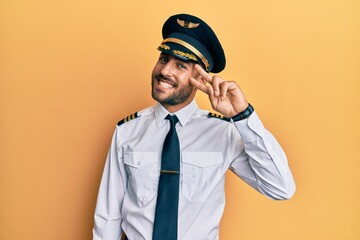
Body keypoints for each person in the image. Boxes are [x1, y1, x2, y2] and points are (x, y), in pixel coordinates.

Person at [92, 13, 295, 240]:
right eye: (163, 58)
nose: (165, 71)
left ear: (200, 79)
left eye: (180, 65)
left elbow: (281, 188)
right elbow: (108, 216)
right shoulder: (127, 131)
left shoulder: (223, 132)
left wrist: (243, 117)